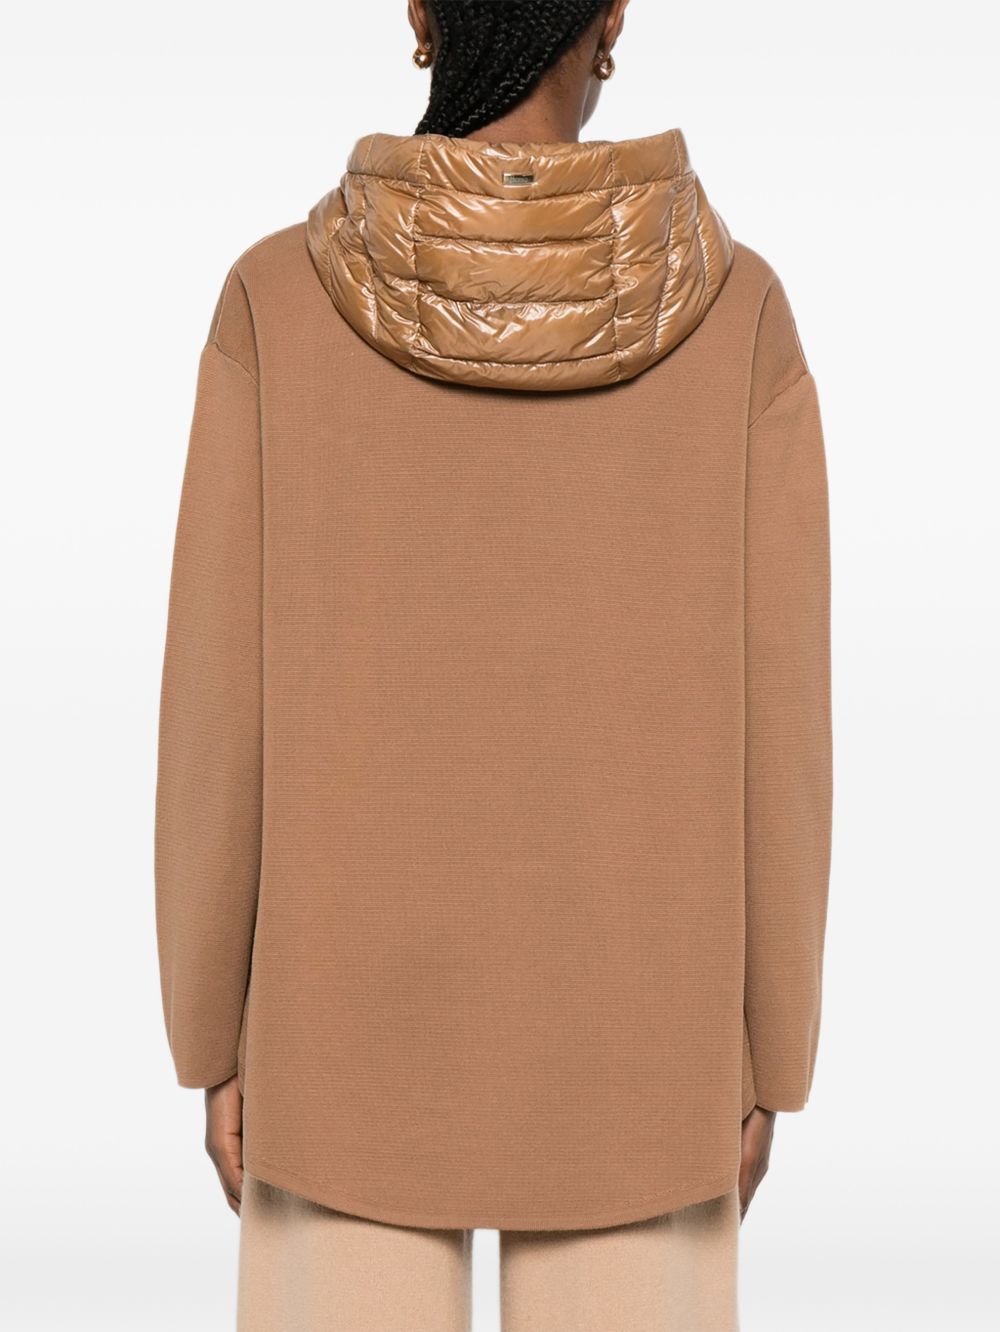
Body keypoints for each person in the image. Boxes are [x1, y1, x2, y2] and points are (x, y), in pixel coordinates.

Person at [154, 1, 832, 1328]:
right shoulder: (737, 312)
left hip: (334, 1039)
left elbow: (215, 711)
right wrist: (772, 1050)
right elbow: (786, 725)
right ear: (613, 16)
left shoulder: (277, 302)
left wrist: (210, 1032)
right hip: (647, 1045)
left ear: (420, 15)